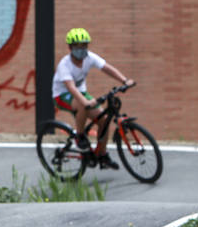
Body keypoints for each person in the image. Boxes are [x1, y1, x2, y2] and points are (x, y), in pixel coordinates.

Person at [51, 28, 135, 169]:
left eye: (84, 45)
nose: (82, 49)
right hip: (62, 95)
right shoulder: (64, 65)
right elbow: (71, 88)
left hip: (80, 93)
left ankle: (102, 155)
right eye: (78, 46)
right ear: (70, 47)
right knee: (82, 104)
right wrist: (85, 102)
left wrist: (124, 80)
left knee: (103, 120)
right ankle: (80, 135)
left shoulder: (89, 57)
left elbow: (107, 68)